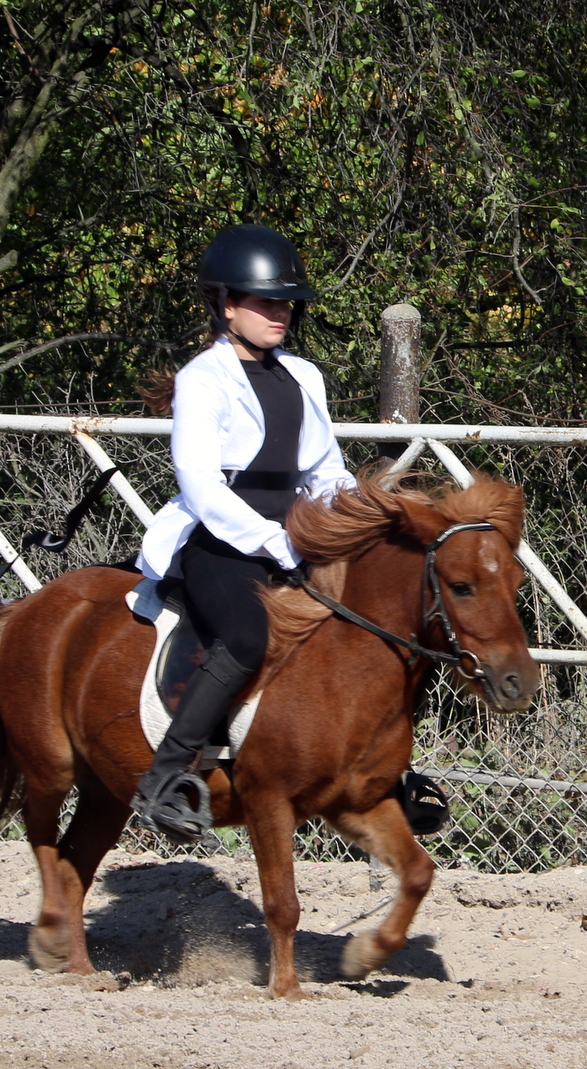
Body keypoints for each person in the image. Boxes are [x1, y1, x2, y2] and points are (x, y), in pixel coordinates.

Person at [132, 223, 355, 842]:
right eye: (265, 301)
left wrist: (358, 515)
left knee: (366, 622)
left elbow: (324, 469)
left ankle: (377, 772)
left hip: (295, 533)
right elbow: (203, 487)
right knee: (248, 635)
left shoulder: (304, 377)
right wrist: (275, 542)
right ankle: (167, 778)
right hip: (220, 541)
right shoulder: (204, 379)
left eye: (285, 302)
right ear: (226, 304)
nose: (280, 313)